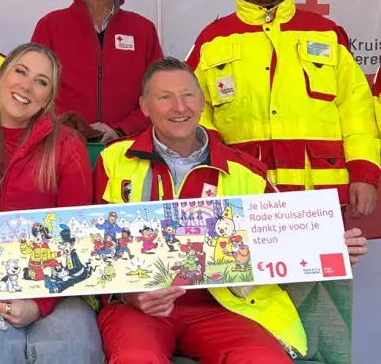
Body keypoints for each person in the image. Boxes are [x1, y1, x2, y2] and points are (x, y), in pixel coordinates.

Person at [92, 57, 368, 363]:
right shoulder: (113, 160)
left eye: (188, 95)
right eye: (165, 97)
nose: (179, 107)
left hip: (225, 305)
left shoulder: (246, 171)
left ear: (201, 101)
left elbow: (282, 237)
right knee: (136, 359)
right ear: (145, 106)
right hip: (138, 307)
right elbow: (90, 245)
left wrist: (331, 245)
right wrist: (133, 294)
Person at [186, 0, 380, 217]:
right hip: (245, 197)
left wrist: (365, 173)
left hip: (322, 200)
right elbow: (191, 110)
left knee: (325, 266)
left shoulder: (326, 33)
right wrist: (215, 156)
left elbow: (357, 109)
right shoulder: (213, 39)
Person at [0, 43, 104, 363]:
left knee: (70, 350)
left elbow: (75, 240)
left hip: (56, 288)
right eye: (20, 72)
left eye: (41, 81)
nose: (26, 85)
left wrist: (39, 304)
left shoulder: (68, 147)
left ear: (48, 98)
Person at [31, 0, 163, 143]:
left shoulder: (143, 29)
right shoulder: (50, 26)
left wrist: (121, 130)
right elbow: (33, 91)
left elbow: (158, 92)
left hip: (128, 145)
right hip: (61, 144)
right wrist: (65, 128)